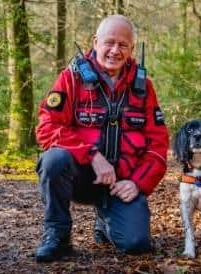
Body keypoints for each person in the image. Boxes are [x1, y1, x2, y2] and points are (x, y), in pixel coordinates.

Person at [34, 15, 169, 262]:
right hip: (82, 176)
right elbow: (47, 127)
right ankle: (58, 236)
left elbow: (158, 145)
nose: (115, 51)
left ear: (132, 49)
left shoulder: (143, 87)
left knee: (136, 244)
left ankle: (106, 222)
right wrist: (92, 155)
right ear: (95, 42)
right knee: (53, 160)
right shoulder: (71, 78)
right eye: (109, 42)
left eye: (123, 45)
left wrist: (138, 183)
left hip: (122, 182)